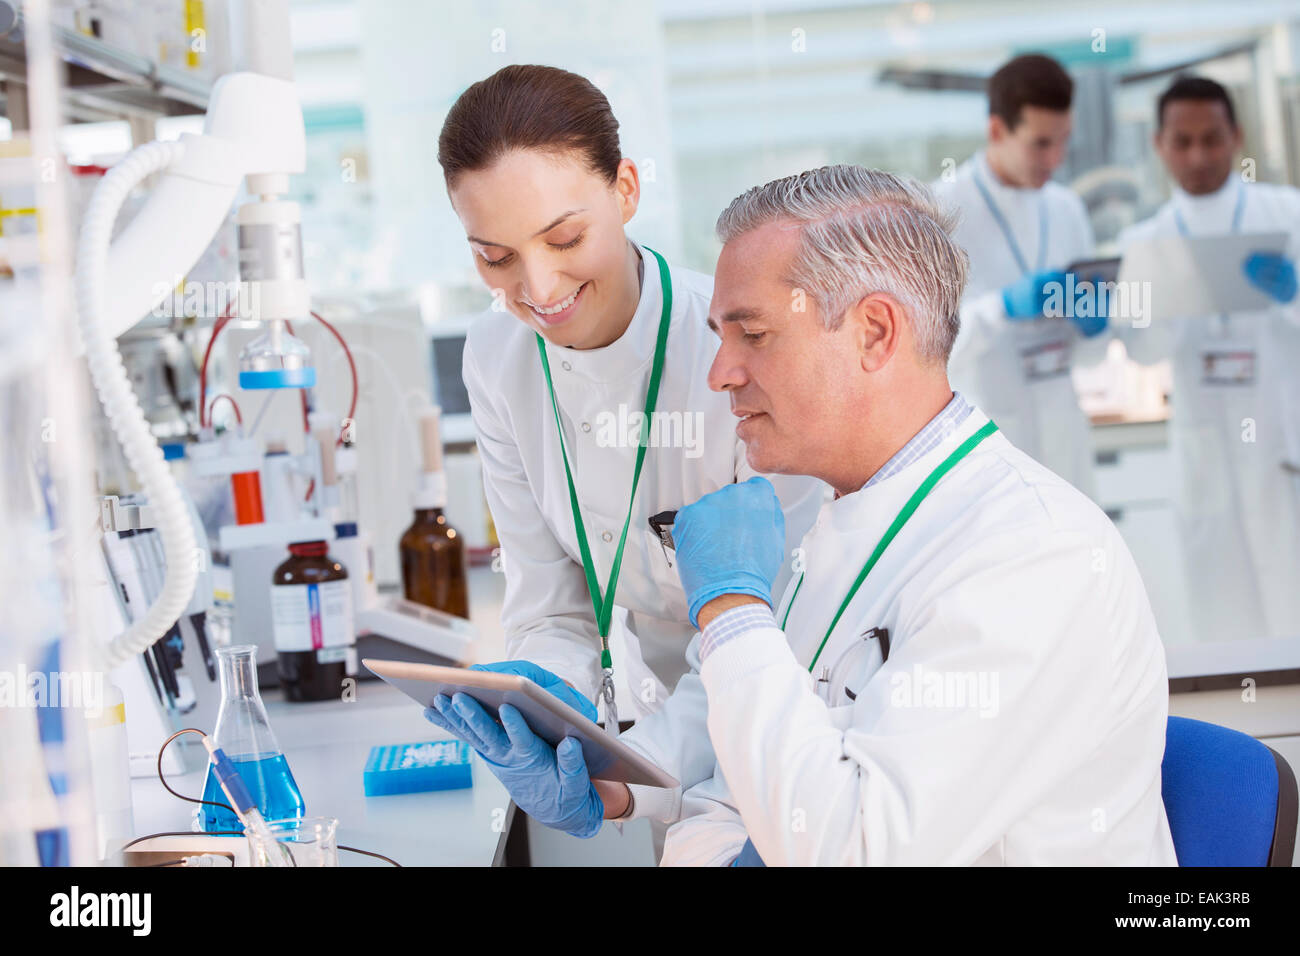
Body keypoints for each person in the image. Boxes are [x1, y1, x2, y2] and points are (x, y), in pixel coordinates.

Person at [654, 165, 1176, 865]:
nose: (721, 372)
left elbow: (858, 851)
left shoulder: (1032, 556)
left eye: (752, 335)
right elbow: (735, 791)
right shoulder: (846, 520)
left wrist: (733, 612)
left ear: (873, 332)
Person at [424, 64, 823, 841]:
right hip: (650, 738)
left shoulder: (738, 348)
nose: (537, 287)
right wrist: (549, 698)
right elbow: (549, 599)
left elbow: (786, 633)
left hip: (788, 729)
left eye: (565, 237)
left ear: (627, 190)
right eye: (494, 256)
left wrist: (627, 774)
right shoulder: (495, 355)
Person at [1115, 75, 1300, 644]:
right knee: (1224, 620)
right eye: (1183, 141)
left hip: (1282, 448)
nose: (1198, 156)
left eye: (1212, 139)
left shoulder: (1288, 213)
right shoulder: (1146, 240)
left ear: (1237, 137)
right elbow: (1144, 351)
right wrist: (1148, 314)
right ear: (1160, 145)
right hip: (1206, 455)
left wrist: (1293, 294)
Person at [932, 53, 1108, 498]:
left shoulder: (1066, 209)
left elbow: (1090, 360)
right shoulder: (941, 212)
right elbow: (928, 352)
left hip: (1064, 441)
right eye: (1040, 143)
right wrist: (1002, 308)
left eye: (1064, 141)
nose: (1056, 158)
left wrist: (1095, 329)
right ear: (996, 130)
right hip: (985, 447)